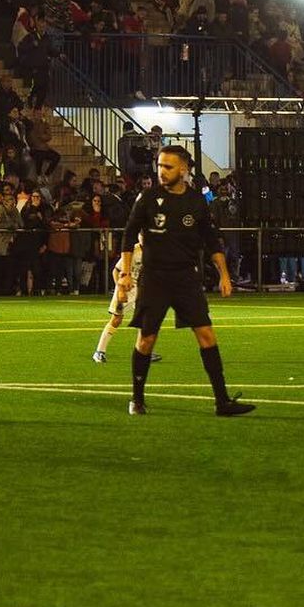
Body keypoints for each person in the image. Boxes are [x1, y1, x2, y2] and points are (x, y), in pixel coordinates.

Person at [118, 146, 252, 417]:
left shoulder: (196, 201)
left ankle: (222, 401)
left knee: (206, 334)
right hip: (154, 278)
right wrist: (125, 275)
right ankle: (137, 399)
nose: (161, 171)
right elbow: (129, 235)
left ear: (183, 169)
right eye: (159, 165)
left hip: (185, 278)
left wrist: (225, 275)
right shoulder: (147, 197)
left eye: (168, 166)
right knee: (147, 339)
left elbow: (211, 239)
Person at [93, 237, 151, 364]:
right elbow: (116, 270)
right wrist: (120, 289)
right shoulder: (133, 251)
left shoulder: (154, 250)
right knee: (117, 319)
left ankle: (142, 350)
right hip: (126, 287)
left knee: (145, 320)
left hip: (142, 289)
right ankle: (99, 351)